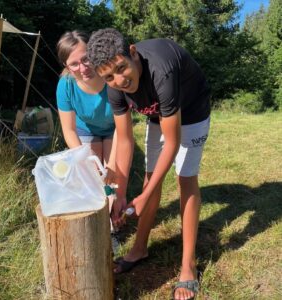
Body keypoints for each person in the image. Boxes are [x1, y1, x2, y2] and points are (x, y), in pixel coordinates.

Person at [87, 28, 210, 300]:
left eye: (122, 68)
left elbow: (173, 142)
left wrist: (144, 197)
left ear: (132, 52)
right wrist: (119, 193)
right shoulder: (114, 88)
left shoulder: (161, 70)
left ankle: (188, 265)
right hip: (158, 113)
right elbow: (126, 141)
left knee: (184, 178)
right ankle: (139, 248)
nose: (119, 80)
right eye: (109, 76)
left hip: (192, 110)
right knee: (149, 177)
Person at [56, 30, 116, 177]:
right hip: (85, 129)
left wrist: (112, 169)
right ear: (66, 65)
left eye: (86, 59)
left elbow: (123, 128)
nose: (83, 68)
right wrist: (83, 159)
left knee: (111, 175)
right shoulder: (65, 85)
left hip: (114, 129)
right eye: (74, 64)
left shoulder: (112, 76)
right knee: (92, 174)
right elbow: (69, 130)